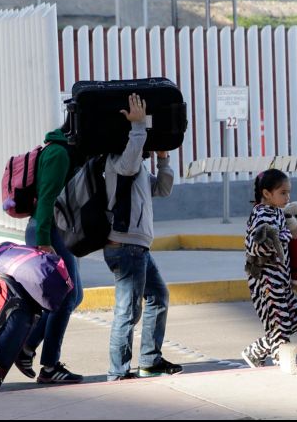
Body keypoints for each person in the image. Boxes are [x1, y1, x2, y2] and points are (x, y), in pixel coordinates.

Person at [102, 93, 182, 381]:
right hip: (126, 247)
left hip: (136, 247)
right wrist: (138, 126)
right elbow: (129, 163)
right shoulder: (117, 162)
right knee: (127, 311)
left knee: (158, 296)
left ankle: (149, 360)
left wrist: (163, 159)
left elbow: (162, 189)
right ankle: (118, 372)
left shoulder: (136, 169)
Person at [15, 119, 85, 384]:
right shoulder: (58, 153)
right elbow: (46, 198)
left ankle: (26, 347)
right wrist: (44, 241)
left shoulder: (68, 151)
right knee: (64, 298)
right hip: (48, 232)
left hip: (57, 231)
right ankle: (50, 367)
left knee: (74, 296)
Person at [241, 169, 297, 368]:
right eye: (283, 193)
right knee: (279, 323)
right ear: (267, 193)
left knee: (294, 319)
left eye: (288, 192)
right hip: (266, 279)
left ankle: (255, 351)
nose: (288, 197)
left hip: (281, 278)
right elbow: (255, 245)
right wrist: (277, 237)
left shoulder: (276, 212)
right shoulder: (261, 214)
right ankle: (281, 360)